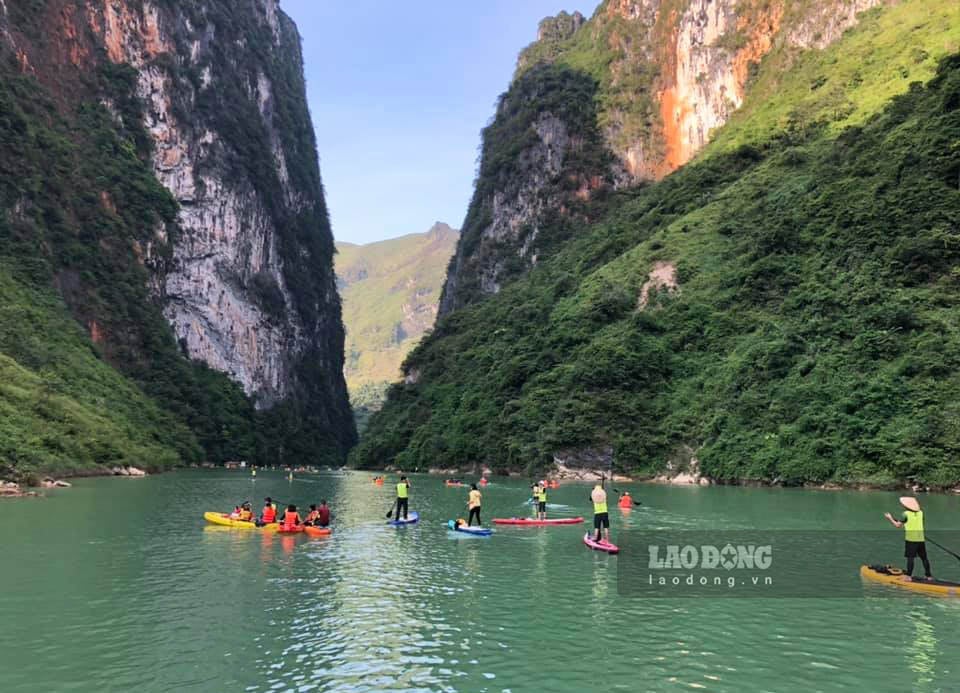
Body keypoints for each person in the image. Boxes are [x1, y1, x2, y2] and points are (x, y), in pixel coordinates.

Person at [885, 496, 933, 581]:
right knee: (924, 558)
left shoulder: (905, 514)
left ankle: (908, 576)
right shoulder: (921, 513)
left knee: (910, 558)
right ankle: (928, 576)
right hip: (920, 539)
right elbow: (909, 522)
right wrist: (898, 520)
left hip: (911, 539)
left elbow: (898, 525)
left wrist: (890, 518)